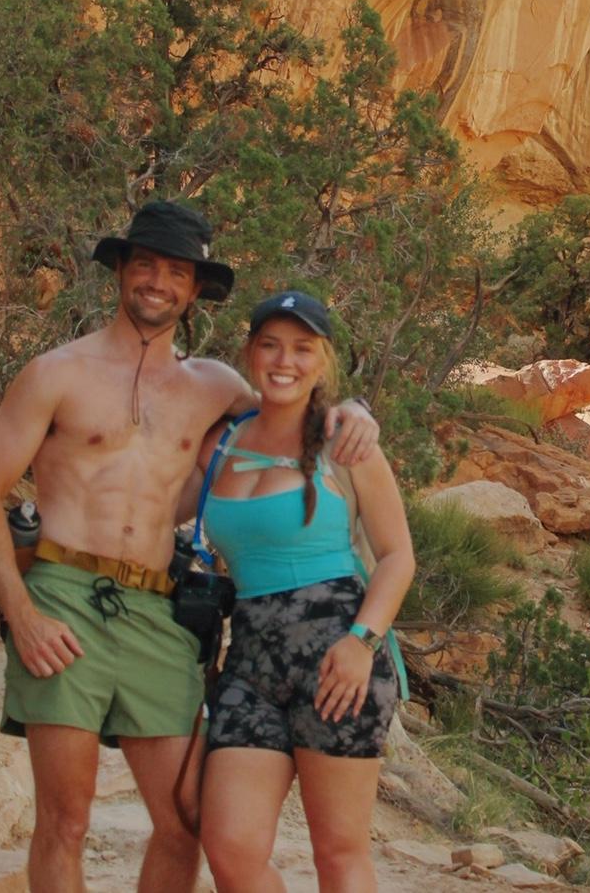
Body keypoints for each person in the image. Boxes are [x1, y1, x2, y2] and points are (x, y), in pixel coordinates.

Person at [0, 202, 380, 893]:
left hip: (158, 606)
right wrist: (21, 613)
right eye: (146, 264)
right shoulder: (55, 373)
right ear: (120, 270)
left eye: (176, 272)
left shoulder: (213, 385)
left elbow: (292, 404)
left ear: (194, 292)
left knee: (184, 818)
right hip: (63, 595)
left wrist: (352, 410)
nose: (158, 282)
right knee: (65, 819)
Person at [195, 290, 415, 893]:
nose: (283, 360)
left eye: (301, 348)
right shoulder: (223, 443)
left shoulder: (347, 443)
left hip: (338, 657)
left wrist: (360, 642)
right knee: (230, 848)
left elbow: (398, 557)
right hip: (249, 664)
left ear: (323, 362)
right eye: (270, 345)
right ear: (250, 352)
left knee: (339, 853)